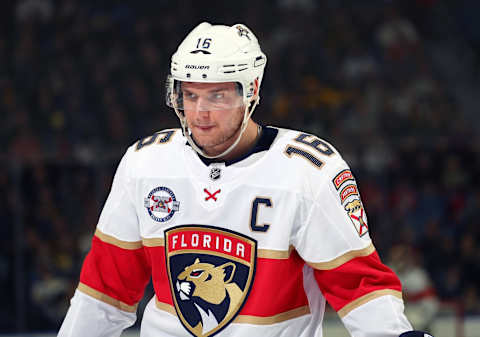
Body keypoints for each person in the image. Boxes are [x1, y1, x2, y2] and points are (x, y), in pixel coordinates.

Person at [58, 22, 433, 337]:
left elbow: (358, 286)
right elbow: (104, 291)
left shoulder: (309, 169)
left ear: (251, 91)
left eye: (217, 95)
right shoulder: (146, 162)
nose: (200, 113)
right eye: (190, 95)